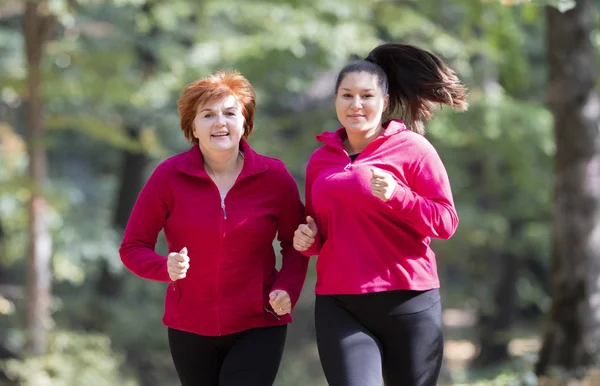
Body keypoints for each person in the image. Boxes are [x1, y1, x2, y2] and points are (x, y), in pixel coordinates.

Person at [293, 43, 468, 386]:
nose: (356, 104)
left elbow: (446, 222)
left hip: (408, 300)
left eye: (366, 96)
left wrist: (398, 196)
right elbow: (319, 233)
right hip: (340, 303)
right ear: (335, 100)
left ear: (384, 102)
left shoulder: (413, 149)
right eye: (347, 95)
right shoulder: (321, 160)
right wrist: (307, 240)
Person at [120, 70, 309, 386]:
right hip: (188, 327)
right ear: (192, 126)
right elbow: (132, 247)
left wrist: (287, 288)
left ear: (244, 122)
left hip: (259, 323)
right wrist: (164, 267)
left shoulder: (274, 177)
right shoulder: (168, 178)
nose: (220, 122)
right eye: (208, 114)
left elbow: (295, 242)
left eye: (230, 113)